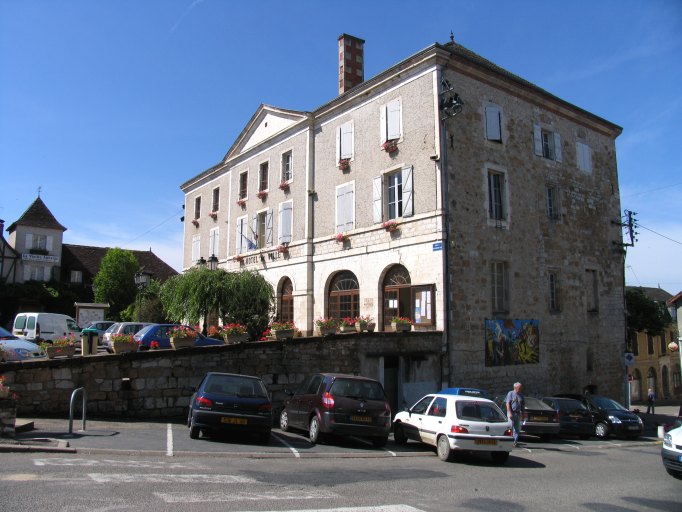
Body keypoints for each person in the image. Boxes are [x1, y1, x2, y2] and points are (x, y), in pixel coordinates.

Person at [505, 382, 525, 447]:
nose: (521, 389)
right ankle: (509, 441)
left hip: (518, 413)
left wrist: (523, 414)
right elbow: (507, 404)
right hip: (512, 412)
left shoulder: (521, 395)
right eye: (520, 387)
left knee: (517, 429)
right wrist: (509, 413)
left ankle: (515, 442)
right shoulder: (510, 393)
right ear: (516, 388)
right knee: (510, 427)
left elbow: (522, 405)